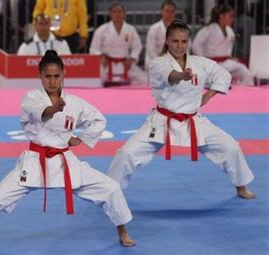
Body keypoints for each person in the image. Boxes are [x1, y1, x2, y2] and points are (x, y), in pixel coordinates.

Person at [0, 50, 135, 250]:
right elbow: (40, 112)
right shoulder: (31, 97)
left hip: (65, 162)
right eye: (48, 76)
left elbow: (98, 119)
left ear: (63, 75)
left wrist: (81, 138)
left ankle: (122, 231)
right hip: (35, 162)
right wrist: (54, 109)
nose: (53, 81)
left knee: (111, 188)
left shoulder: (74, 103)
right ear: (40, 76)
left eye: (57, 76)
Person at [106, 20, 255, 200]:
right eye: (175, 41)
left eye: (184, 41)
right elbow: (170, 75)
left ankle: (241, 186)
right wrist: (182, 75)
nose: (180, 45)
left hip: (193, 120)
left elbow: (223, 75)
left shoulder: (200, 63)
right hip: (162, 121)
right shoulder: (157, 63)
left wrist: (208, 96)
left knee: (230, 146)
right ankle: (110, 191)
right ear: (167, 41)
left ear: (189, 42)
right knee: (126, 153)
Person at [192, 4, 254, 86]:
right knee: (219, 83)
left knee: (246, 73)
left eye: (233, 16)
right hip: (212, 65)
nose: (233, 19)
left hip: (226, 63)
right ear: (221, 16)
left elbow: (228, 49)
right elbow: (196, 44)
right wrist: (203, 59)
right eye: (230, 16)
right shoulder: (208, 29)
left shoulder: (229, 30)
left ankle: (242, 93)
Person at [89, 3, 147, 85]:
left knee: (144, 80)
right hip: (107, 64)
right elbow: (94, 48)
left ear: (124, 13)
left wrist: (131, 59)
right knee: (94, 81)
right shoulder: (102, 29)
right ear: (110, 14)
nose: (117, 14)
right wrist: (101, 56)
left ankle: (130, 95)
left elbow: (137, 46)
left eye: (120, 12)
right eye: (114, 12)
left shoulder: (130, 29)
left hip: (125, 63)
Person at [145, 0, 178, 69]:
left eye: (172, 11)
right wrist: (159, 61)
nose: (169, 14)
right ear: (162, 12)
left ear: (175, 13)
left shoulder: (181, 29)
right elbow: (150, 48)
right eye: (167, 11)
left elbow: (186, 47)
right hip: (157, 59)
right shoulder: (154, 28)